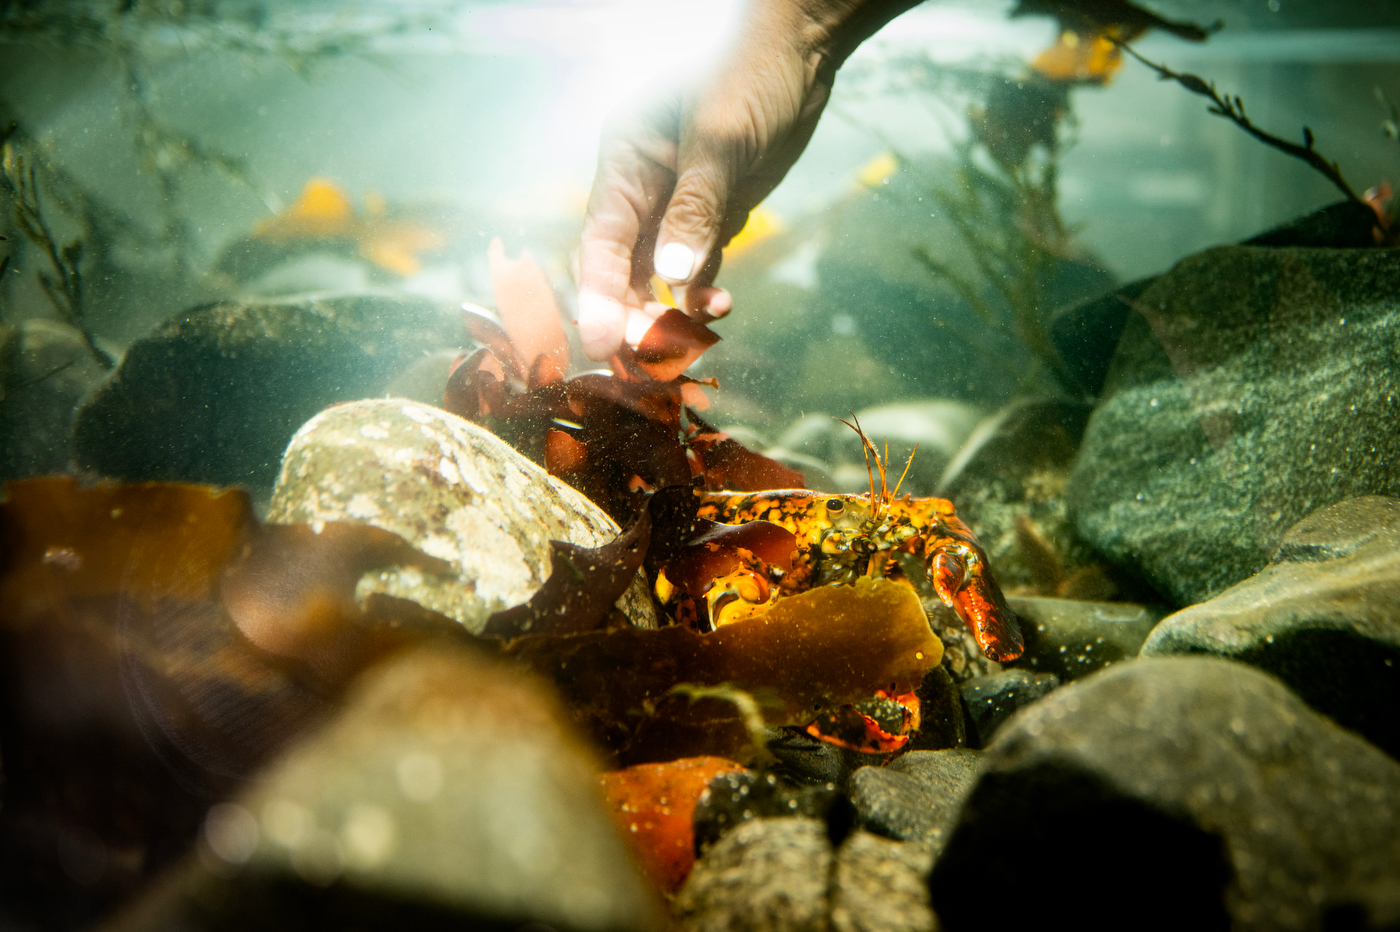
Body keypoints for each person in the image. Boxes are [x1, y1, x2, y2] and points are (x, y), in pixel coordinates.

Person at [575, 0, 922, 360]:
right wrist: (793, 29)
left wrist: (791, 27)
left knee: (807, 221)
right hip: (765, 236)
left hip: (767, 235)